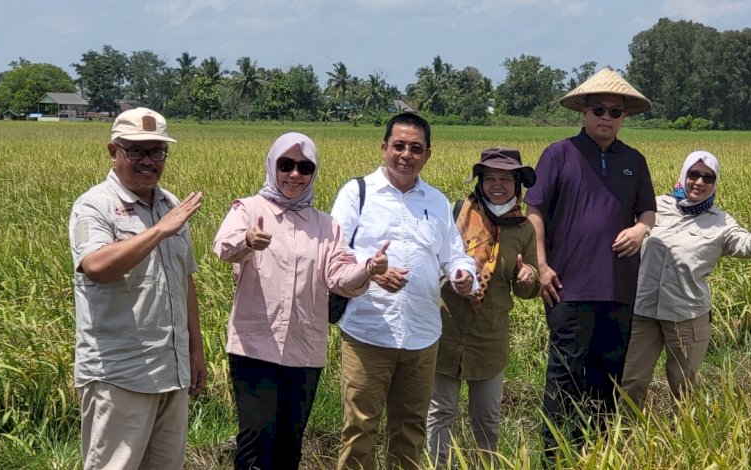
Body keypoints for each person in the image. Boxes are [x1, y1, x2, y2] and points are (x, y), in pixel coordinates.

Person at [212, 132, 390, 470]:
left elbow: (339, 276)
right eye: (286, 165)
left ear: (313, 173)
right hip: (254, 347)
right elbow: (224, 247)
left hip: (304, 350)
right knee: (255, 443)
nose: (295, 175)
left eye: (304, 168)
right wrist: (248, 240)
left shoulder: (326, 226)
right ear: (273, 166)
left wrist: (368, 268)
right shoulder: (249, 209)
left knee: (289, 445)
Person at [330, 112, 480, 470]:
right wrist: (371, 270)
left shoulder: (437, 202)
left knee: (410, 430)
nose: (406, 154)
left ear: (428, 154)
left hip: (422, 335)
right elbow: (333, 252)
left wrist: (463, 275)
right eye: (398, 146)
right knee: (360, 429)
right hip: (368, 332)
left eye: (416, 148)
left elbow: (455, 255)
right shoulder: (357, 193)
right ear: (384, 148)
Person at [523, 67, 657, 453]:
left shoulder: (634, 160)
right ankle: (554, 455)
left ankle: (597, 453)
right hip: (568, 288)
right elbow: (534, 213)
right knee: (565, 376)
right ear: (583, 111)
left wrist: (639, 231)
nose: (606, 117)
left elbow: (647, 212)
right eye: (598, 109)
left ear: (623, 118)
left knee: (607, 379)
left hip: (618, 289)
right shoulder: (559, 154)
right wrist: (542, 266)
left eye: (614, 112)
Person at [68, 107, 207, 470]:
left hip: (170, 368)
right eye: (137, 151)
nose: (149, 161)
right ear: (113, 152)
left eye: (157, 151)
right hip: (120, 373)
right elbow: (96, 266)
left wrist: (195, 349)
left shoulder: (170, 204)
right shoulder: (94, 205)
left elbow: (184, 279)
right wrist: (159, 230)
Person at [621, 150, 751, 409]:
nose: (699, 182)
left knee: (683, 384)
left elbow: (748, 247)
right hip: (643, 310)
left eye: (707, 178)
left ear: (714, 183)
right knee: (631, 381)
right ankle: (628, 435)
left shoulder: (720, 222)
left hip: (687, 313)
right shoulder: (653, 207)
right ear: (683, 175)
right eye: (694, 174)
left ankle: (684, 439)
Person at [426, 148, 541, 468]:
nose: (497, 185)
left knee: (486, 419)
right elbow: (432, 257)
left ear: (518, 184)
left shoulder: (523, 229)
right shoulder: (457, 212)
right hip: (446, 331)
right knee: (440, 414)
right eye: (490, 178)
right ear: (480, 181)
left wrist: (527, 277)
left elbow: (528, 290)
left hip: (490, 338)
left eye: (506, 179)